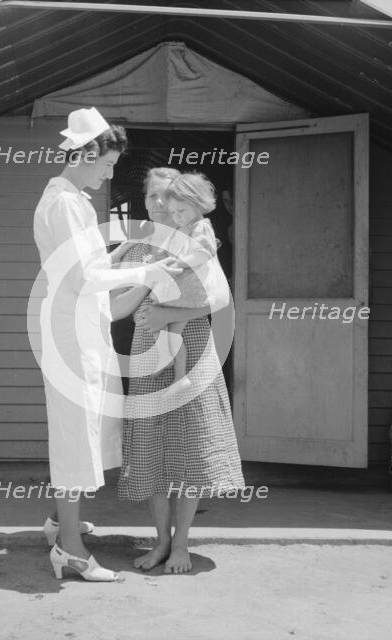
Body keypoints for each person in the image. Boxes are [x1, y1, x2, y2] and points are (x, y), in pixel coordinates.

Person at [33, 110, 181, 582]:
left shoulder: (68, 199)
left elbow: (89, 271)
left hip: (80, 329)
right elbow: (85, 278)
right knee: (76, 436)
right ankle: (70, 550)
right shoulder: (66, 204)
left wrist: (115, 257)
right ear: (85, 154)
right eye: (106, 163)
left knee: (85, 431)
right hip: (71, 336)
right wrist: (144, 272)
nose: (109, 173)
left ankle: (60, 523)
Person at [112, 168, 245, 574]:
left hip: (195, 346)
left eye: (167, 196)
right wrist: (146, 281)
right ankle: (161, 543)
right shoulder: (138, 248)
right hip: (148, 348)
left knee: (189, 448)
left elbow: (217, 298)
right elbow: (116, 309)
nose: (159, 204)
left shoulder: (196, 240)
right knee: (151, 451)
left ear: (181, 201)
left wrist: (168, 309)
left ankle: (183, 544)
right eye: (152, 196)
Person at [148, 173, 223, 398]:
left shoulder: (201, 227)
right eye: (173, 213)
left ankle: (168, 361)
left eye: (180, 212)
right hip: (185, 293)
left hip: (187, 293)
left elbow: (203, 251)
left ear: (197, 204)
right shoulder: (183, 228)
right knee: (172, 333)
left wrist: (178, 262)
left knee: (158, 319)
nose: (177, 217)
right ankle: (179, 376)